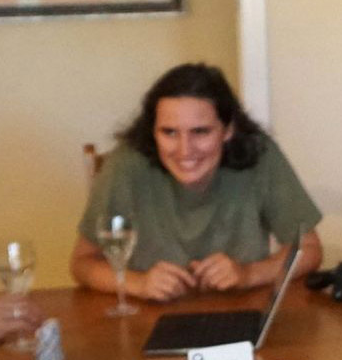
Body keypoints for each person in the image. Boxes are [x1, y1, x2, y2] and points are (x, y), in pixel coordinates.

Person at [70, 63, 323, 304]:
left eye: (200, 132)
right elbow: (82, 263)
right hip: (149, 317)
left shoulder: (261, 155)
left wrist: (249, 274)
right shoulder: (126, 164)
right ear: (153, 132)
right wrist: (139, 284)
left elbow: (309, 249)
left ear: (227, 130)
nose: (184, 150)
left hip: (240, 310)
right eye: (169, 132)